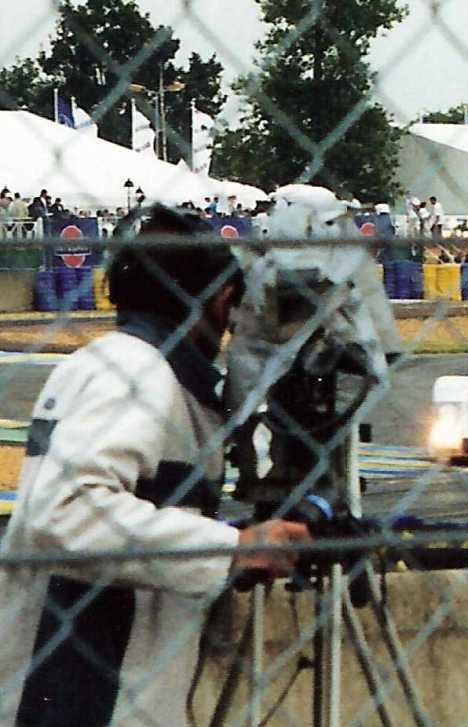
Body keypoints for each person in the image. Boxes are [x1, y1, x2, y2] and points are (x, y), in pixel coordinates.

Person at [0, 204, 311, 726]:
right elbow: (66, 513)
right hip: (85, 697)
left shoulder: (123, 364)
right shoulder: (136, 370)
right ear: (220, 300)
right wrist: (232, 548)